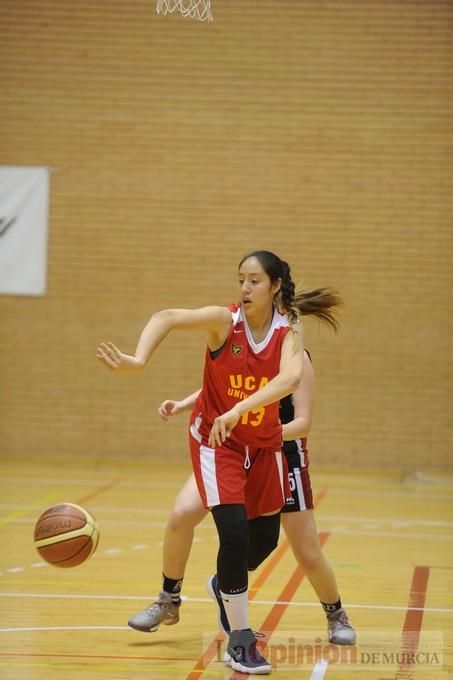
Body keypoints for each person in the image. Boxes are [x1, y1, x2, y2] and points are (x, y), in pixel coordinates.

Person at [97, 250, 338, 674]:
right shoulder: (224, 322)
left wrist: (240, 410)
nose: (244, 288)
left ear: (275, 286)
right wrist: (138, 360)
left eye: (254, 281)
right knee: (231, 529)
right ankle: (239, 640)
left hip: (260, 441)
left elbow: (289, 379)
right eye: (240, 280)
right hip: (216, 439)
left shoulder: (289, 329)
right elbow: (167, 315)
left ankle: (223, 588)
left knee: (262, 538)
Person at [128, 352, 356, 649]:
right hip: (235, 451)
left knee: (307, 551)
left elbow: (303, 423)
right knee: (182, 514)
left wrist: (259, 433)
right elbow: (222, 388)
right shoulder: (246, 345)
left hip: (281, 453)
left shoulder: (296, 358)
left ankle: (335, 613)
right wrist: (186, 404)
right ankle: (169, 599)